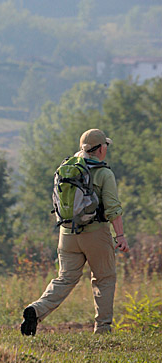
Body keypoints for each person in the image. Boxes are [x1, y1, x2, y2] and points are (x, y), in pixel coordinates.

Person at [21, 128, 129, 336]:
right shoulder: (104, 173)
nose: (107, 148)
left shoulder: (67, 168)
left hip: (67, 234)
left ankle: (36, 309)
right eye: (105, 145)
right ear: (99, 149)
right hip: (95, 234)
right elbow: (113, 208)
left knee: (65, 278)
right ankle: (102, 330)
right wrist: (120, 236)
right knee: (104, 278)